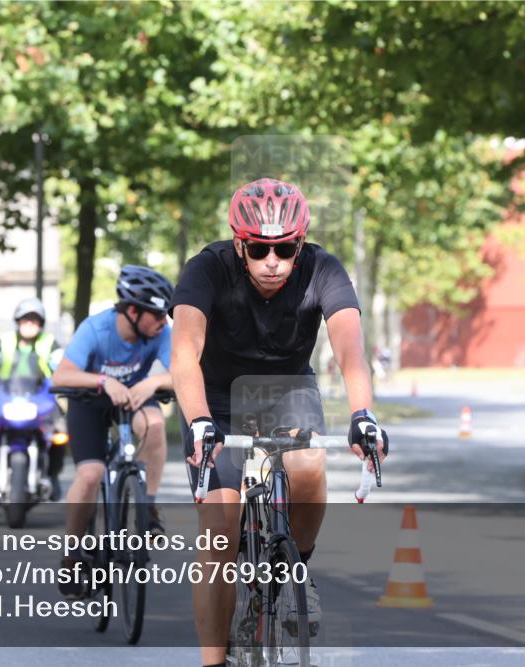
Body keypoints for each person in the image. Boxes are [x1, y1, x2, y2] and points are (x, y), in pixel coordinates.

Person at [170, 177, 389, 666]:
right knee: (219, 537)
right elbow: (184, 353)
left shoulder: (323, 269)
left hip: (288, 391)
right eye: (261, 250)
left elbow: (350, 349)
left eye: (286, 249)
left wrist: (362, 413)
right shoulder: (206, 269)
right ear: (239, 244)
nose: (273, 262)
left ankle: (295, 570)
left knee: (310, 465)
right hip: (218, 400)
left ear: (301, 243)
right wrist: (200, 420)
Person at [51, 265, 174, 599]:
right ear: (132, 311)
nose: (164, 321)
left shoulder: (161, 333)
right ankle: (72, 555)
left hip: (135, 398)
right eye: (157, 315)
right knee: (91, 474)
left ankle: (146, 506)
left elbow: (184, 373)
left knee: (155, 424)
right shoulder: (96, 328)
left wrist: (154, 381)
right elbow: (61, 377)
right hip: (89, 401)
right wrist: (104, 381)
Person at [0, 298, 64, 497]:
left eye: (34, 320)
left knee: (61, 431)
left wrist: (62, 382)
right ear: (18, 322)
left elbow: (61, 365)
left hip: (39, 398)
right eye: (25, 319)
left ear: (41, 324)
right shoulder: (3, 341)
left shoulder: (50, 343)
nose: (30, 324)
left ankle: (53, 475)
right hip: (5, 396)